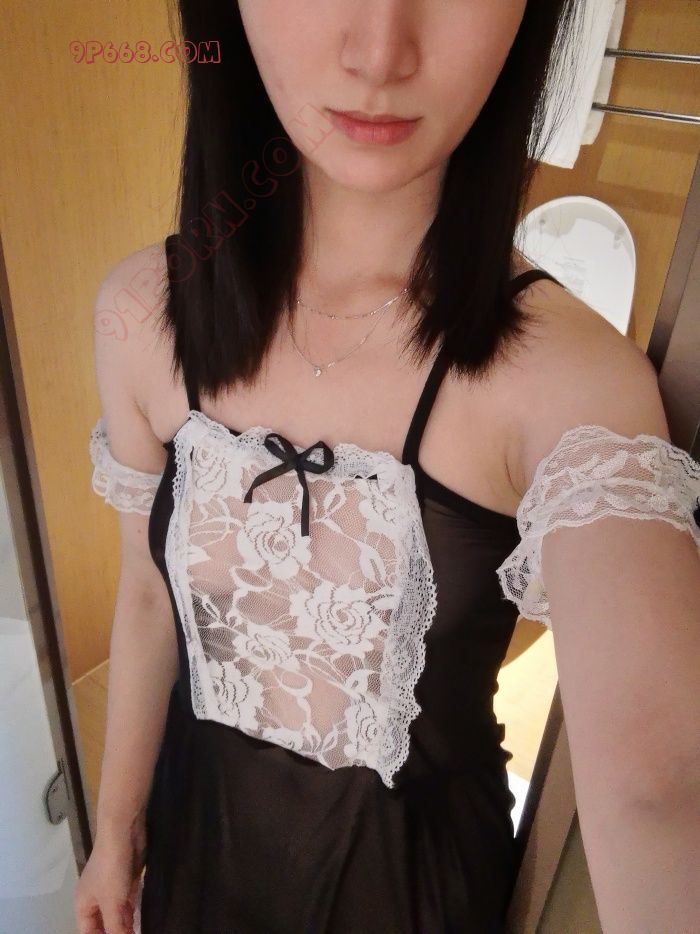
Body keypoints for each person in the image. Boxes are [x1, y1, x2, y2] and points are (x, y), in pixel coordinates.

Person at [75, 1, 700, 932]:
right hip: (200, 848)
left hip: (410, 891)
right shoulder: (142, 313)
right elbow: (145, 588)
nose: (379, 52)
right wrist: (116, 830)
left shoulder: (569, 382)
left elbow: (661, 786)